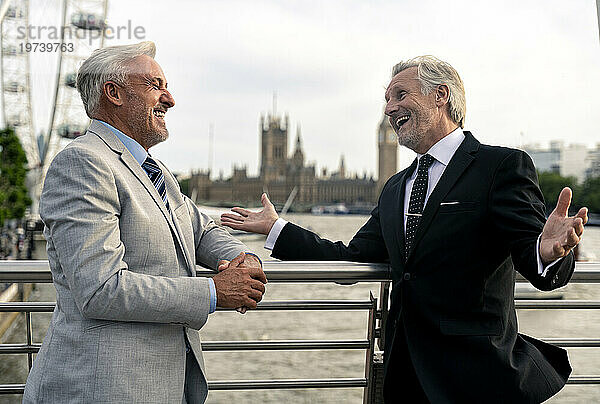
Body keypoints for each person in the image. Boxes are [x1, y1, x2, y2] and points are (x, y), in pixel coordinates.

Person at [221, 56, 588, 403]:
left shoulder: (500, 166)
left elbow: (535, 259)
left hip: (477, 375)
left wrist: (548, 250)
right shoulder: (397, 186)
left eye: (400, 95)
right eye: (386, 100)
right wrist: (276, 228)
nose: (389, 108)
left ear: (440, 96)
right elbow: (351, 257)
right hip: (406, 376)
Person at [23, 41, 267, 404]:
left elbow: (202, 229)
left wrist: (243, 260)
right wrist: (215, 291)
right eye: (156, 85)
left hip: (163, 385)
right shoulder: (82, 163)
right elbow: (100, 289)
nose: (170, 98)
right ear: (114, 93)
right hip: (101, 388)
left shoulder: (155, 171)